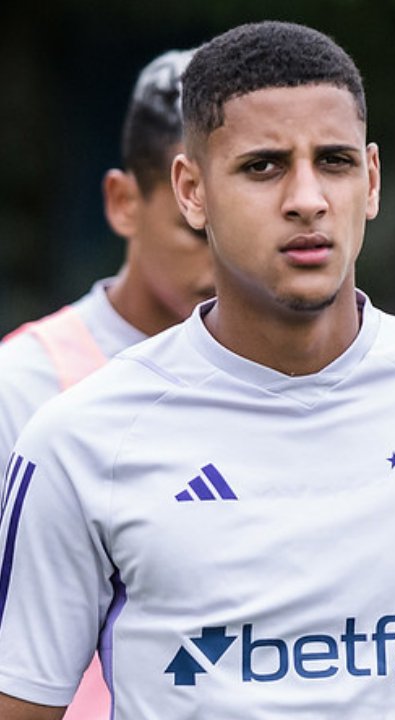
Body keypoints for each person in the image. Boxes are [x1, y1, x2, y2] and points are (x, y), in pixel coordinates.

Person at [0, 21, 395, 719]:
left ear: (371, 181)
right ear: (191, 191)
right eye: (264, 166)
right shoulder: (78, 437)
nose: (307, 198)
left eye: (336, 161)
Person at [0, 48, 208, 720]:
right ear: (124, 202)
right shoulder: (23, 386)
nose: (229, 259)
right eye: (196, 230)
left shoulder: (298, 380)